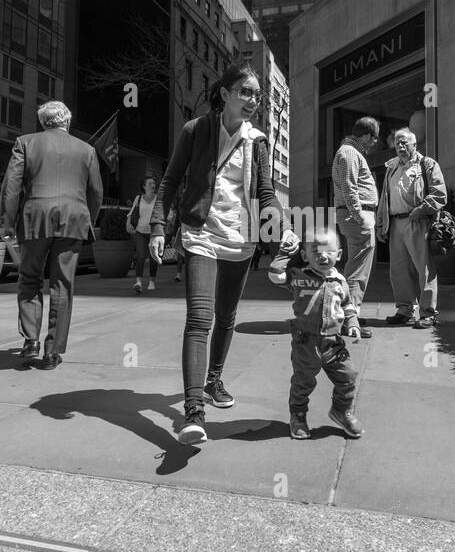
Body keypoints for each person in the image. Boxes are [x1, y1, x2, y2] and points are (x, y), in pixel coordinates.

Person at [148, 60, 298, 445]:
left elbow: (265, 193)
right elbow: (170, 181)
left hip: (242, 238)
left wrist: (282, 230)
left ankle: (213, 378)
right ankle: (193, 411)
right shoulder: (196, 130)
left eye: (257, 95)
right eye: (244, 92)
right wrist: (158, 227)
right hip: (201, 233)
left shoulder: (258, 141)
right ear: (225, 93)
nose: (252, 100)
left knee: (226, 315)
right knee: (199, 318)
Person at [0, 100, 103, 369]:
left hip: (35, 218)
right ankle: (52, 351)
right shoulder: (88, 150)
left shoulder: (25, 142)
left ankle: (30, 339)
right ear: (66, 122)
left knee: (29, 278)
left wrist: (8, 222)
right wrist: (87, 218)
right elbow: (96, 192)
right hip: (74, 220)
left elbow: (11, 186)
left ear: (43, 122)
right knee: (62, 284)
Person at [269, 226, 365, 441]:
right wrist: (284, 254)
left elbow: (348, 306)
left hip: (334, 343)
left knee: (348, 376)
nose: (322, 255)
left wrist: (353, 324)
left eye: (328, 251)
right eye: (315, 251)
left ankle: (342, 410)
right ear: (304, 255)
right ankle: (298, 415)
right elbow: (275, 276)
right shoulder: (299, 276)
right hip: (306, 342)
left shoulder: (341, 282)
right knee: (304, 381)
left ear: (339, 255)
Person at [375, 127, 446, 329]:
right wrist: (381, 224)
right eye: (397, 142)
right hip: (395, 224)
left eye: (405, 142)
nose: (401, 145)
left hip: (418, 222)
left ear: (415, 144)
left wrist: (421, 210)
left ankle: (428, 313)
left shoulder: (428, 164)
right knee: (398, 271)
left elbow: (440, 194)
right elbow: (384, 200)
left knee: (424, 269)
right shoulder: (391, 168)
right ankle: (405, 310)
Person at [331, 116, 380, 338]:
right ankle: (347, 319)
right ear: (367, 135)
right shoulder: (349, 153)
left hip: (355, 216)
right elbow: (350, 188)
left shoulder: (349, 152)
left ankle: (349, 315)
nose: (375, 143)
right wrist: (360, 216)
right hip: (357, 217)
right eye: (374, 138)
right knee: (357, 271)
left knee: (356, 268)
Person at [126, 176, 160, 294]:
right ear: (144, 186)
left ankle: (152, 281)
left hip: (153, 232)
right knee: (140, 256)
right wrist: (128, 223)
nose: (153, 185)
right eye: (150, 183)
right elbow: (131, 212)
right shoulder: (139, 198)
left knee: (152, 257)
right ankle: (138, 282)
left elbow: (167, 214)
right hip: (140, 231)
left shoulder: (158, 199)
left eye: (154, 184)